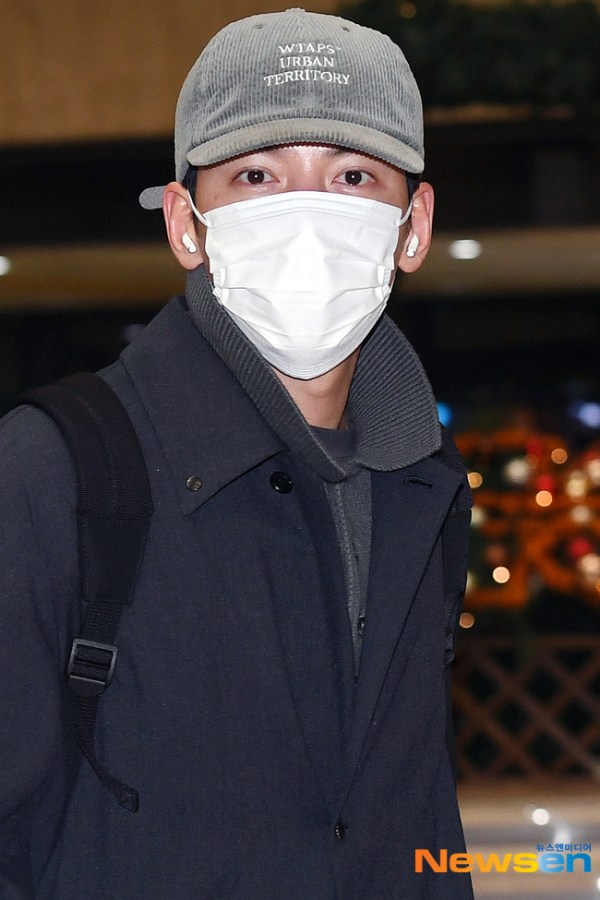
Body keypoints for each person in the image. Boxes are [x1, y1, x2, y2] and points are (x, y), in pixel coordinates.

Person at [0, 8, 473, 899]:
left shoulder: (426, 485)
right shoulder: (52, 473)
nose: (309, 214)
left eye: (353, 175)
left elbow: (418, 824)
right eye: (257, 174)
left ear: (413, 227)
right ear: (187, 224)